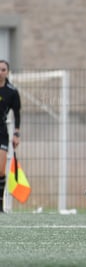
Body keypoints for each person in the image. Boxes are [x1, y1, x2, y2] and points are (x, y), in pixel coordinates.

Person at [0, 60, 21, 213]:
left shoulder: (11, 91)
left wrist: (16, 134)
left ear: (7, 72)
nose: (0, 72)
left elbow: (17, 114)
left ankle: (0, 205)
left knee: (1, 170)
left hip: (2, 132)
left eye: (3, 69)